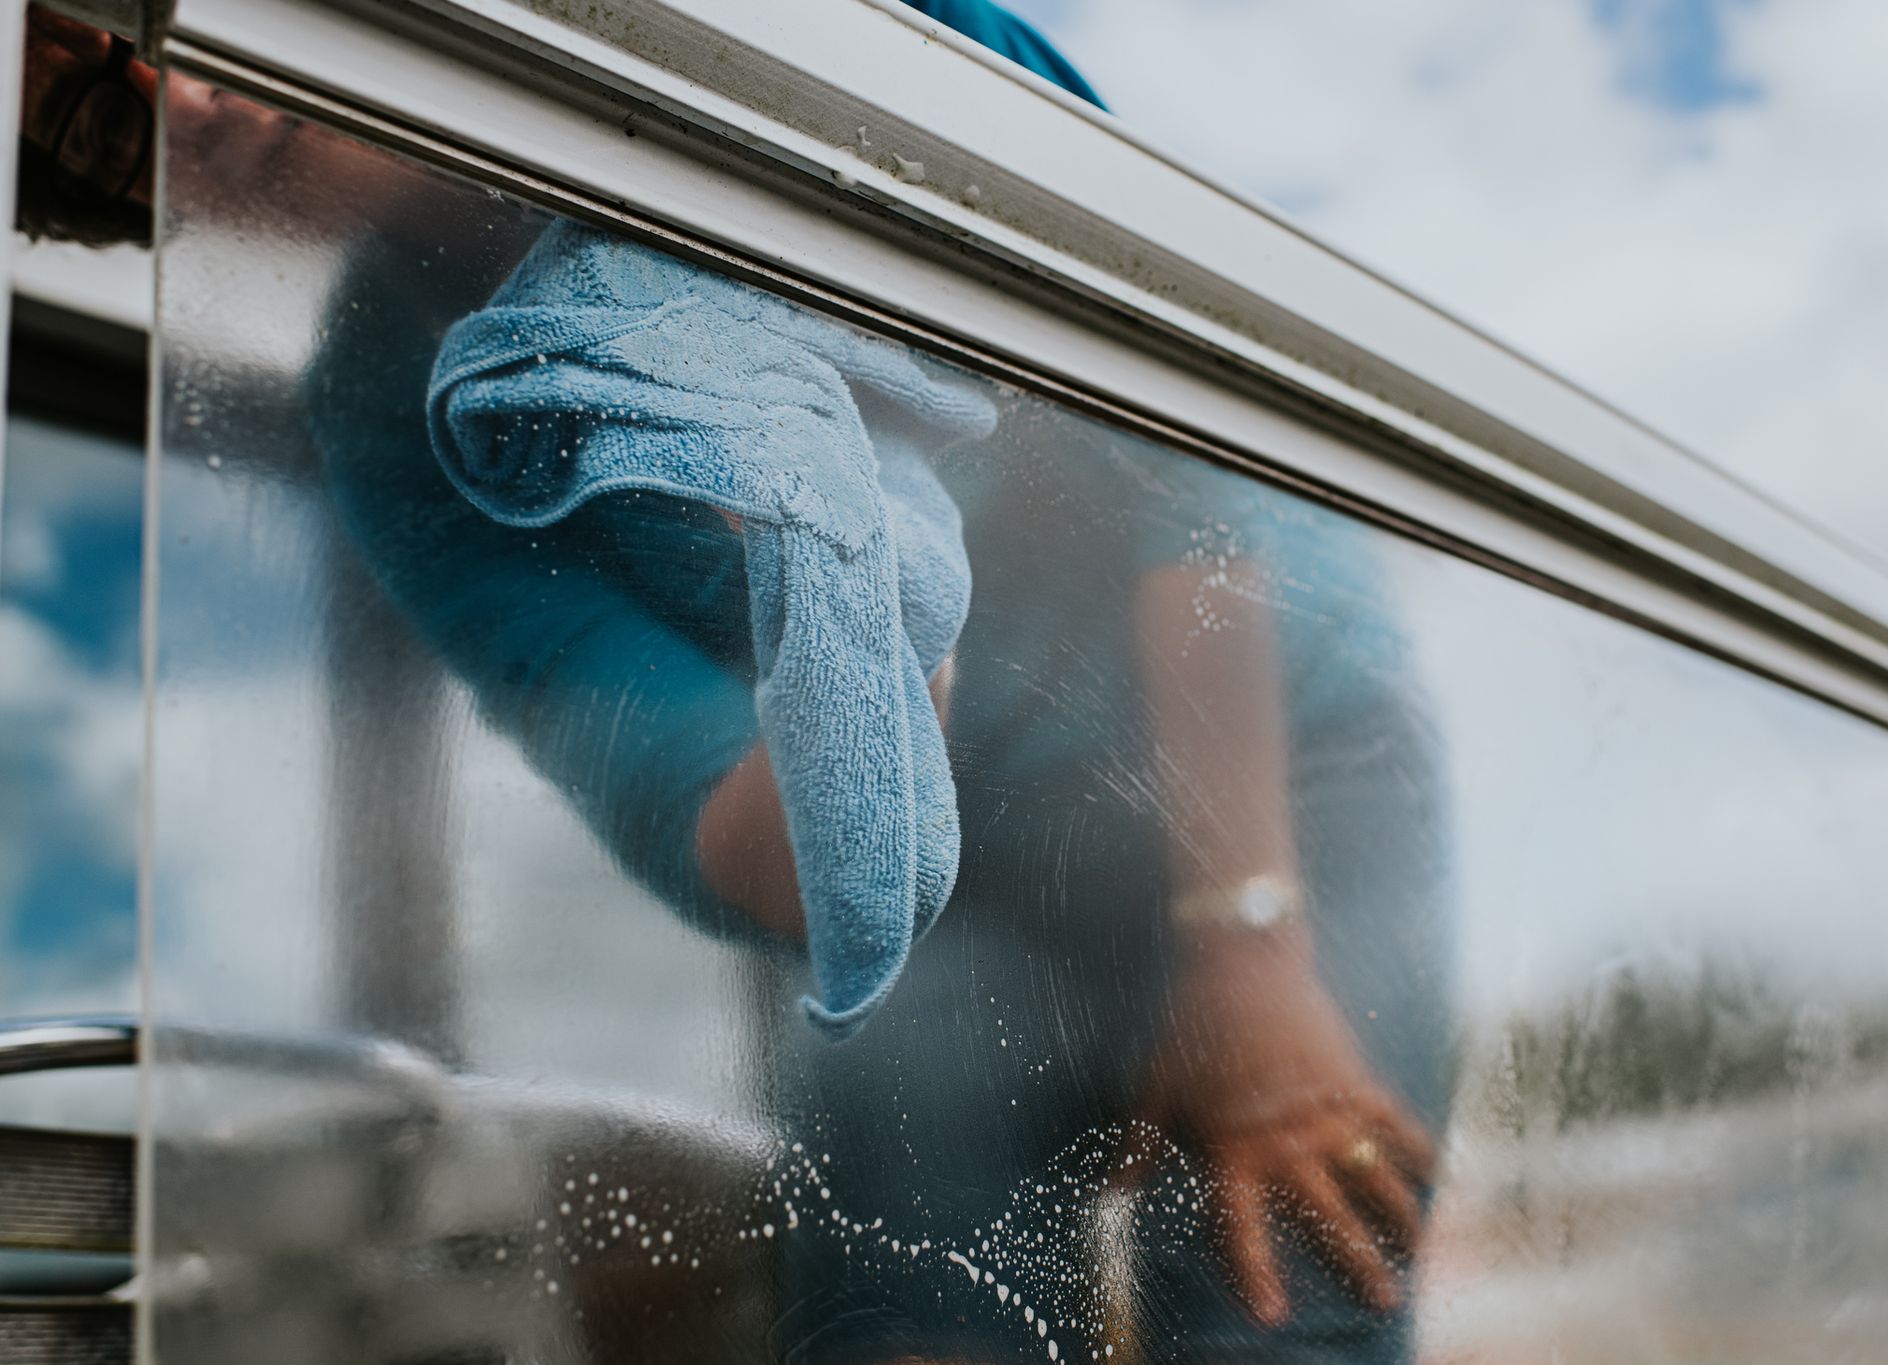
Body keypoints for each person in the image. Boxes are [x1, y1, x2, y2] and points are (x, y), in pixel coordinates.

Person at [18, 4, 1453, 1360]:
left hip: (1283, 747)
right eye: (90, 123)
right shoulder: (390, 417)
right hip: (945, 874)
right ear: (156, 215)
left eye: (153, 5)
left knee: (1289, 1252)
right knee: (904, 1318)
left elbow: (1192, 460)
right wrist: (847, 610)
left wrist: (1250, 953)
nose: (173, 81)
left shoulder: (794, 34)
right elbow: (736, 838)